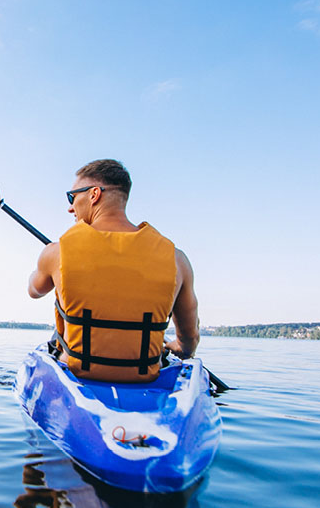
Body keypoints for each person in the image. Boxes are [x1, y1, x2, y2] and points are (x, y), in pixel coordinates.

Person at [27, 159, 199, 383]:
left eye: (72, 197)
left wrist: (52, 256)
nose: (70, 207)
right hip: (145, 380)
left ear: (94, 194)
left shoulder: (56, 253)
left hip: (77, 374)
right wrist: (181, 348)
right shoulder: (177, 259)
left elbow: (34, 290)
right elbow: (190, 337)